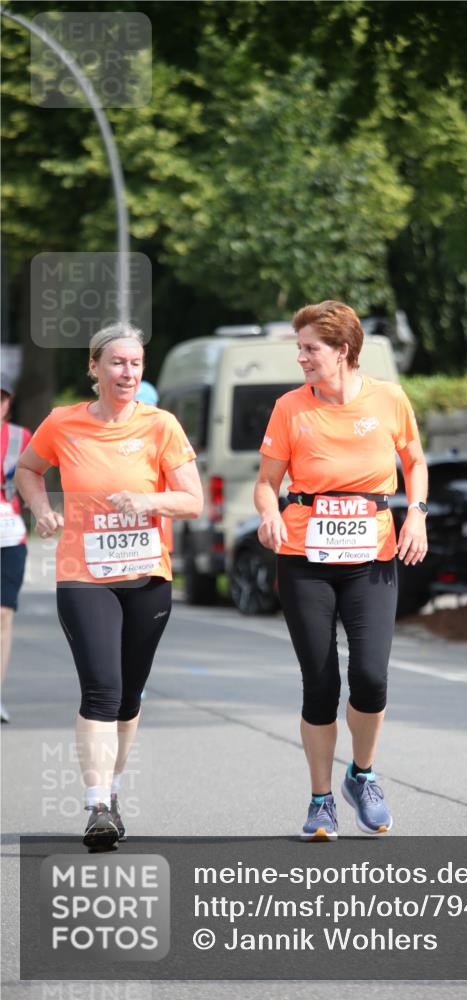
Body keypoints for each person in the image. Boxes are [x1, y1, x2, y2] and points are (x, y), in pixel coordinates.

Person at [15, 323, 203, 849]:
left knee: (128, 697)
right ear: (94, 368)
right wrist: (43, 508)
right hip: (84, 576)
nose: (128, 372)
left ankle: (114, 790)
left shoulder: (161, 425)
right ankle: (97, 805)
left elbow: (193, 500)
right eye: (117, 363)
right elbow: (28, 470)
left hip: (146, 576)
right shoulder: (63, 422)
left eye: (136, 364)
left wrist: (150, 502)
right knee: (101, 689)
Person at [254, 300, 428, 841]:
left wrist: (416, 515)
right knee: (321, 681)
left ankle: (364, 775)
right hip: (304, 558)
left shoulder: (390, 399)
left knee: (371, 677)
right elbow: (267, 481)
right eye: (299, 347)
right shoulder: (289, 408)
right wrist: (267, 514)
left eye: (311, 348)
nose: (300, 356)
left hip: (370, 558)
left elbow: (415, 463)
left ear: (343, 351)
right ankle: (321, 800)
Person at [1, 374, 32, 723]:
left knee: (3, 614)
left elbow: (34, 478)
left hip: (9, 536)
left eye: (2, 397)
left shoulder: (22, 437)